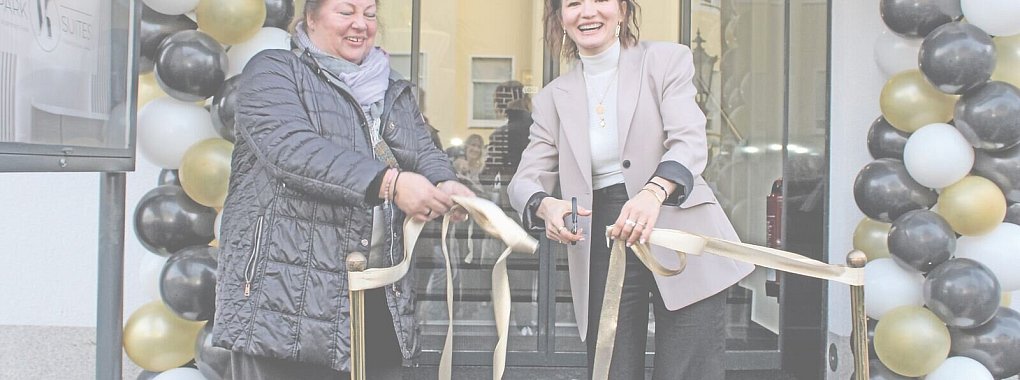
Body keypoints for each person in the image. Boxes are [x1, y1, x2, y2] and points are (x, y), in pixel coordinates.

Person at [211, 0, 474, 378]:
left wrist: (445, 182)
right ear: (311, 18)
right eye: (346, 11)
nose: (360, 24)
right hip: (285, 298)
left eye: (369, 14)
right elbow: (293, 150)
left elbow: (423, 149)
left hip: (377, 291)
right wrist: (391, 183)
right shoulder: (273, 70)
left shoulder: (392, 88)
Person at [507, 1, 754, 379]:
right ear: (560, 19)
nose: (588, 12)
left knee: (689, 370)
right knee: (612, 367)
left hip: (677, 219)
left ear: (622, 10)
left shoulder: (668, 60)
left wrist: (653, 191)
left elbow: (688, 142)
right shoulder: (552, 98)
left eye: (601, 0)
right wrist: (545, 206)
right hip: (603, 236)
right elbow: (524, 181)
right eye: (573, 4)